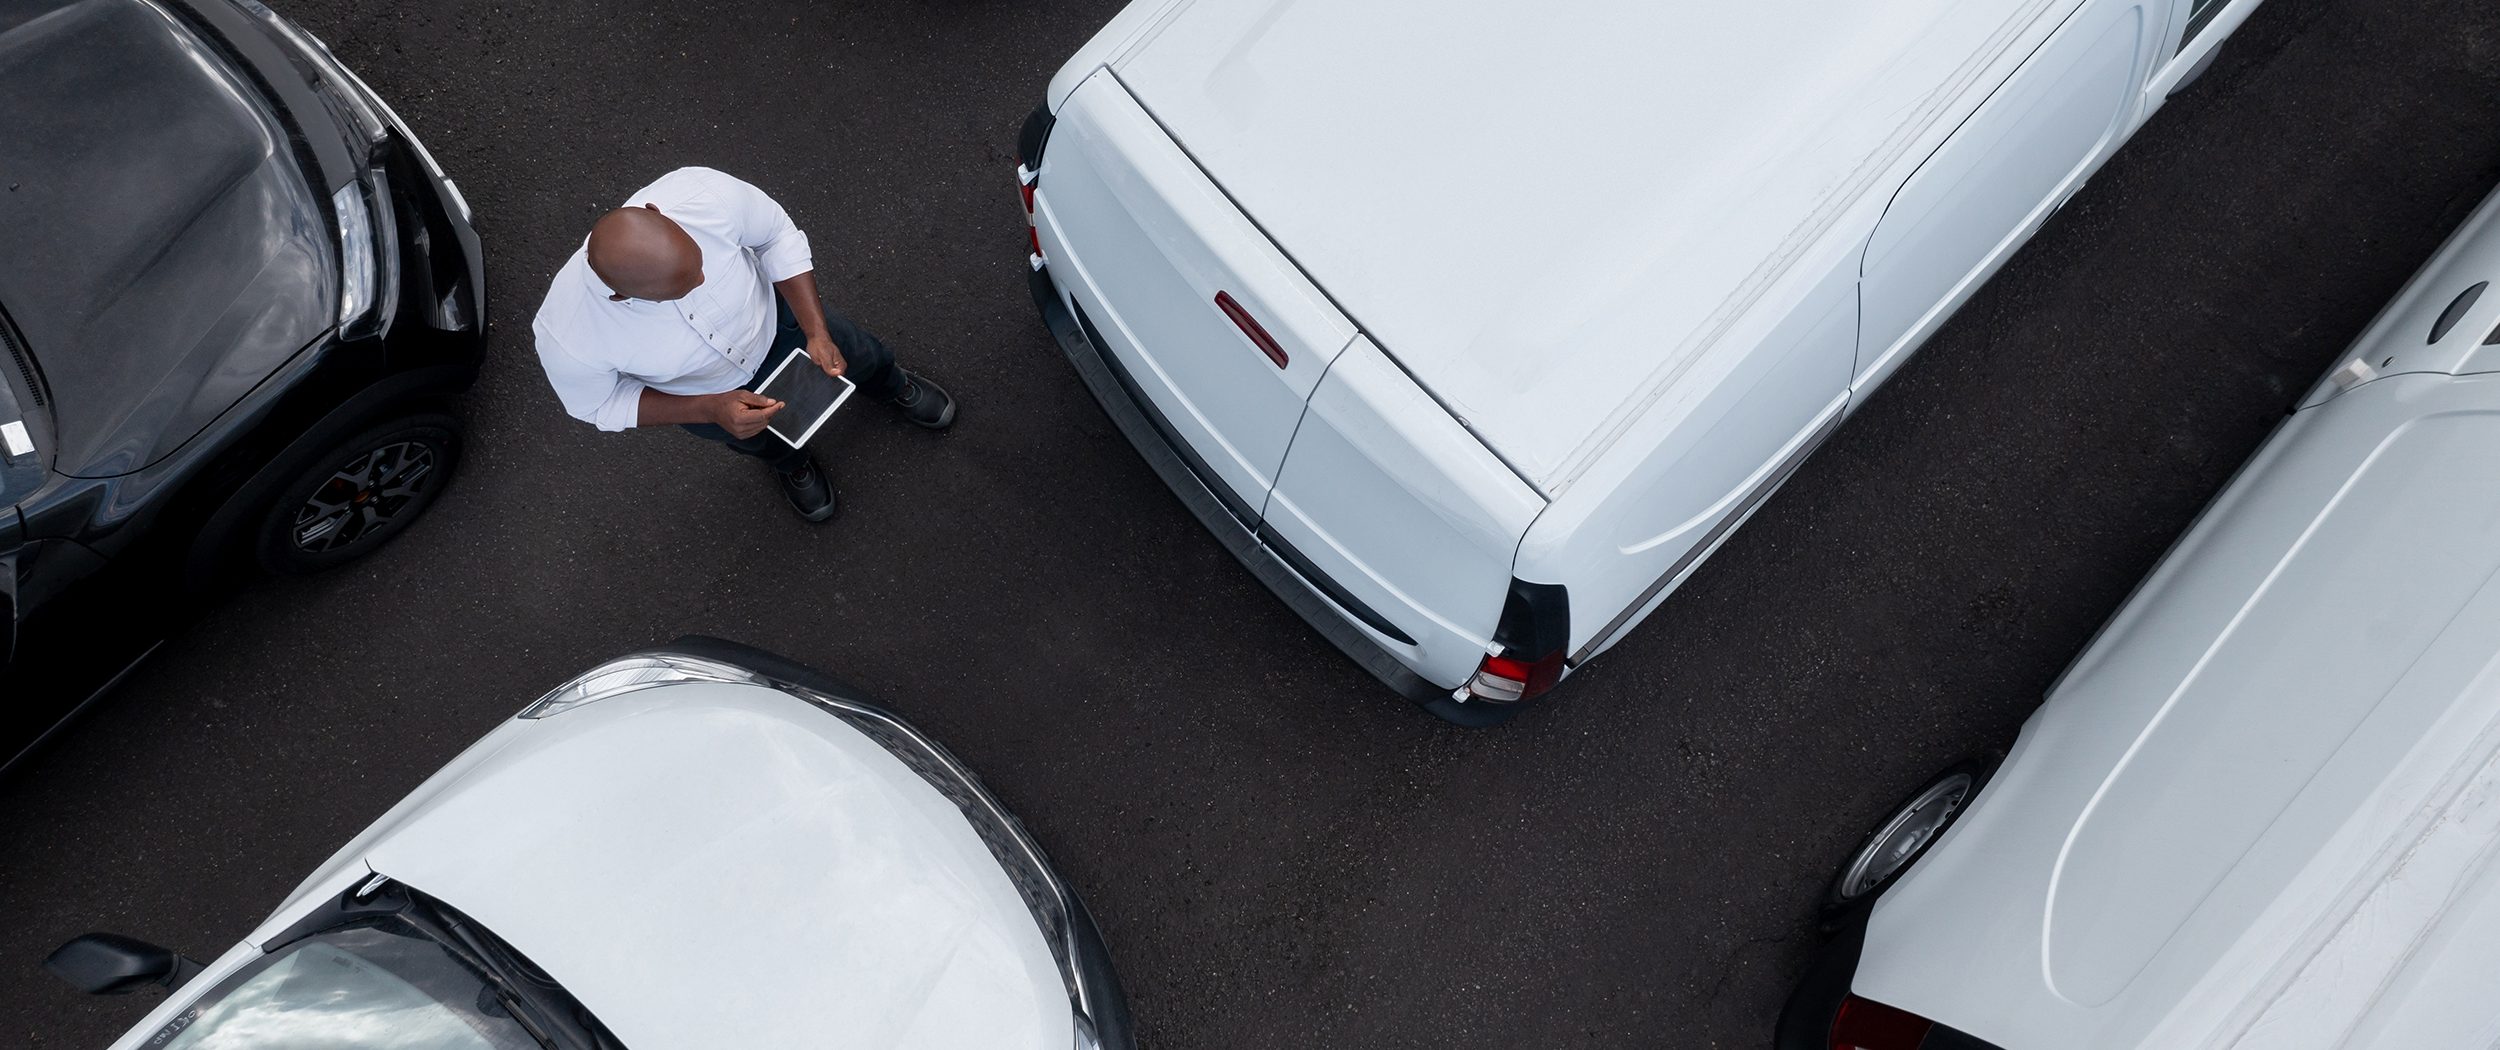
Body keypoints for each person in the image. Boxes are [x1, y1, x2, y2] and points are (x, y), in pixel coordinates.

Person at [532, 167, 954, 522]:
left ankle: (893, 385)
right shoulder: (567, 333)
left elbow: (774, 236)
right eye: (677, 291)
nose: (700, 282)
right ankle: (793, 465)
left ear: (657, 212)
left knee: (859, 354)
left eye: (697, 265)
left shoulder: (701, 193)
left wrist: (816, 332)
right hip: (707, 394)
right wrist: (708, 409)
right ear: (623, 297)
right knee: (758, 439)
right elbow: (598, 404)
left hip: (781, 324)